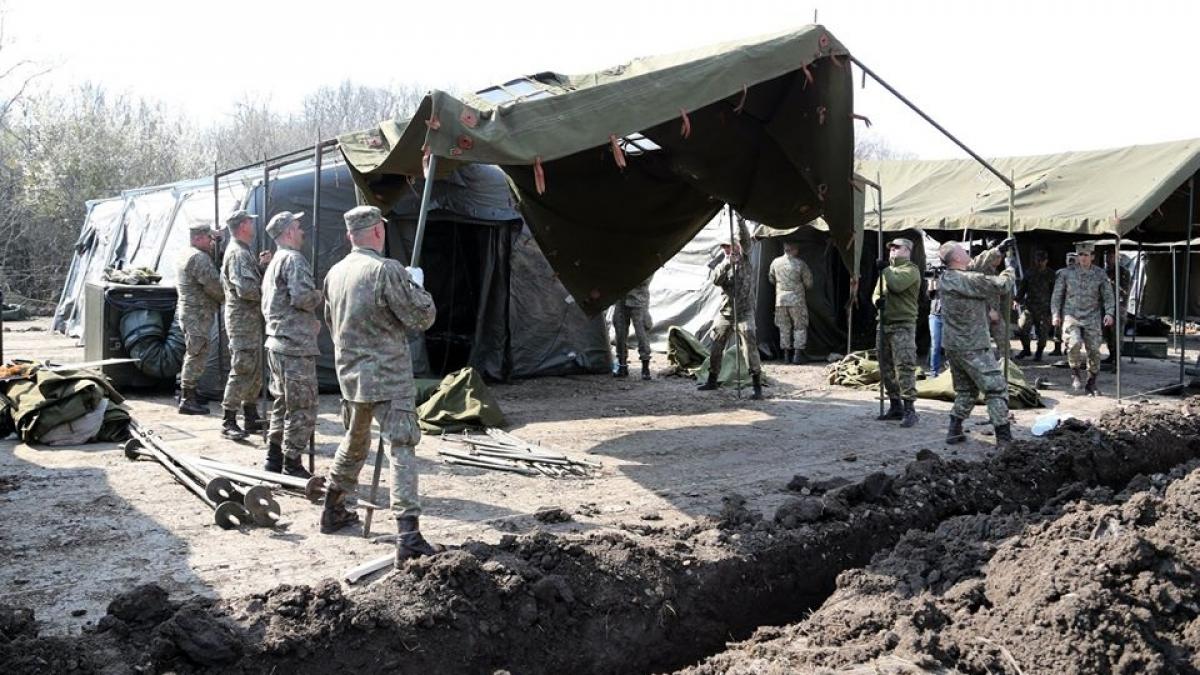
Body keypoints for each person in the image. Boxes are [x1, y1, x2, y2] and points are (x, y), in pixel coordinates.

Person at [321, 205, 441, 565]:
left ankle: (333, 507)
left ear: (350, 236)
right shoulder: (385, 270)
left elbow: (330, 323)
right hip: (388, 377)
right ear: (377, 232)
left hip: (351, 375)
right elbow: (421, 317)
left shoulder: (335, 273)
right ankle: (408, 535)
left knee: (354, 442)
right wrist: (416, 286)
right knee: (401, 447)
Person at [937, 239, 1018, 446]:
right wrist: (1009, 269)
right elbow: (1001, 285)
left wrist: (997, 251)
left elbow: (975, 264)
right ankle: (1004, 437)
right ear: (956, 258)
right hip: (973, 345)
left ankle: (954, 430)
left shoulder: (948, 277)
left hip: (954, 345)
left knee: (967, 390)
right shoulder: (966, 280)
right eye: (963, 251)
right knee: (996, 388)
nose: (967, 253)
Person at [261, 211, 320, 477]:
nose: (303, 231)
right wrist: (324, 292)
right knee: (303, 407)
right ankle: (292, 464)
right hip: (295, 345)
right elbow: (303, 298)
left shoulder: (274, 262)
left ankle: (274, 458)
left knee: (282, 403)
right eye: (298, 227)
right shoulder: (293, 259)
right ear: (287, 233)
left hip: (277, 342)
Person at [218, 210, 271, 440]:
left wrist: (260, 268)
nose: (253, 225)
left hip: (250, 321)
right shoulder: (238, 253)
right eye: (250, 222)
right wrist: (269, 289)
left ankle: (250, 416)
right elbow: (246, 289)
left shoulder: (243, 251)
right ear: (242, 226)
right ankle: (228, 420)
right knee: (242, 368)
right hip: (242, 322)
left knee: (255, 368)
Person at [697, 216, 762, 399]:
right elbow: (716, 280)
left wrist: (740, 221)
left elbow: (745, 237)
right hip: (726, 313)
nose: (726, 249)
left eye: (729, 246)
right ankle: (712, 379)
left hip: (744, 312)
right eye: (724, 247)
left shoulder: (746, 256)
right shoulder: (722, 264)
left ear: (736, 245)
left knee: (749, 347)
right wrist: (727, 263)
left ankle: (757, 385)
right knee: (716, 345)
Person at [1051, 242, 1115, 395]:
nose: (1083, 258)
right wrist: (1055, 314)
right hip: (1071, 315)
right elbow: (1057, 296)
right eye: (1080, 255)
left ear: (1092, 257)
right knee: (1073, 344)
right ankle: (1075, 373)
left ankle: (1091, 382)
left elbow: (1108, 295)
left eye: (1086, 255)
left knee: (1094, 350)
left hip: (1092, 316)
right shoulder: (1066, 273)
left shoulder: (1100, 274)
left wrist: (1109, 313)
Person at [175, 222, 225, 415]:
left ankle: (186, 392)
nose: (211, 242)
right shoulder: (198, 258)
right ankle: (188, 398)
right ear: (197, 238)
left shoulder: (186, 253)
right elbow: (215, 286)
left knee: (192, 352)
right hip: (198, 314)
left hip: (190, 312)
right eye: (208, 238)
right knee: (196, 354)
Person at [871, 237, 921, 427]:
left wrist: (884, 270)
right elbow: (876, 292)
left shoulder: (911, 270)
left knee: (904, 367)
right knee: (885, 367)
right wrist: (877, 302)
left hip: (903, 325)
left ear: (907, 251)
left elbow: (897, 285)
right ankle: (895, 405)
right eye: (890, 247)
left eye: (896, 247)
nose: (892, 250)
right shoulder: (887, 271)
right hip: (883, 324)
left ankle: (910, 410)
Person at [767, 241, 814, 364]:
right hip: (797, 300)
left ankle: (786, 356)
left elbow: (771, 279)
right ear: (794, 250)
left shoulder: (775, 263)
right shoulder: (800, 264)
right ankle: (797, 356)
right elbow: (809, 283)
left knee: (784, 327)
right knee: (799, 326)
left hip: (780, 300)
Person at [1015, 249, 1055, 361]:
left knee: (1043, 334)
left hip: (1045, 309)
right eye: (1038, 260)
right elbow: (1022, 288)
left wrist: (1054, 309)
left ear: (1046, 261)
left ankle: (1039, 353)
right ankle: (1026, 349)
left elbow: (1055, 292)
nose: (1040, 263)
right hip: (1030, 307)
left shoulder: (1051, 274)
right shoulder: (1029, 273)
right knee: (1022, 329)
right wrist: (1017, 300)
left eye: (1042, 260)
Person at [612, 275, 653, 380]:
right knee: (620, 333)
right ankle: (622, 365)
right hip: (621, 299)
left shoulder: (646, 261)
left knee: (641, 333)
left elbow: (645, 278)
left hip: (638, 300)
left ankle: (645, 367)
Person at [1103, 248, 1132, 365]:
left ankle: (1117, 359)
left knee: (1117, 334)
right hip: (1106, 307)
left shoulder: (1123, 272)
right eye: (1107, 257)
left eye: (1110, 257)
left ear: (1116, 258)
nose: (1108, 260)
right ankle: (1111, 355)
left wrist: (1111, 283)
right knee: (1107, 334)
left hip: (1118, 307)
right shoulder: (1105, 272)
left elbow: (1124, 291)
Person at [1050, 252, 1077, 357]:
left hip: (1073, 306)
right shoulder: (1060, 273)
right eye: (1069, 259)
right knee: (1058, 326)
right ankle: (1057, 348)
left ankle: (1068, 348)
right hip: (1061, 303)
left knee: (1070, 328)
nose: (1071, 262)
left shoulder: (1080, 273)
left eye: (1073, 259)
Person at [927, 268, 944, 377]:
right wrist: (932, 282)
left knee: (950, 346)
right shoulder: (934, 282)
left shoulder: (952, 279)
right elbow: (930, 296)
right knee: (935, 345)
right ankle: (934, 372)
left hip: (949, 316)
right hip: (935, 315)